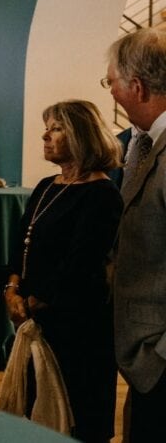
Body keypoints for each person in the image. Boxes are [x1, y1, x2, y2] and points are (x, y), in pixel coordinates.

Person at [3, 100, 121, 442]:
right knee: (36, 419)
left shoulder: (102, 194)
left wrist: (36, 301)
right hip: (36, 323)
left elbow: (81, 264)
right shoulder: (46, 186)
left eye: (56, 128)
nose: (45, 135)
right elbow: (21, 246)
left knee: (77, 422)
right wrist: (11, 289)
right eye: (47, 127)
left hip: (77, 330)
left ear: (82, 136)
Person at [104, 28, 166, 441]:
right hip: (144, 360)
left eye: (111, 83)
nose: (110, 93)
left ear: (137, 87)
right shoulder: (140, 144)